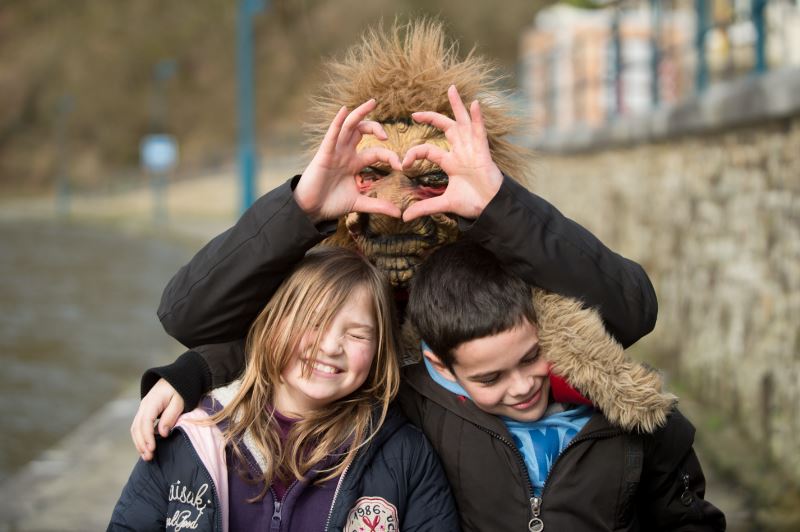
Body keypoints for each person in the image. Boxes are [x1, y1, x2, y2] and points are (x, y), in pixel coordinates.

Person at [109, 247, 460, 531]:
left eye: (357, 334)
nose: (330, 347)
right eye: (313, 323)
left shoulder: (406, 455)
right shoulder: (188, 440)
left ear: (380, 352)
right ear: (273, 324)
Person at [401, 239, 726, 531]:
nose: (522, 386)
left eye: (531, 357)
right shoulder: (422, 410)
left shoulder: (630, 417)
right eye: (490, 378)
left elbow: (687, 520)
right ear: (442, 367)